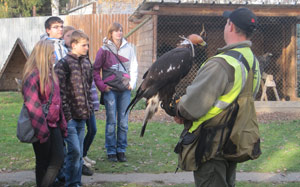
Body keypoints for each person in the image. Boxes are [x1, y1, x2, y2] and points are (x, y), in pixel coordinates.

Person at [173, 7, 261, 187]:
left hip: (211, 145)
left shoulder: (222, 63)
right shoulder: (252, 60)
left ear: (230, 26)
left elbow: (191, 106)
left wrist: (177, 108)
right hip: (233, 140)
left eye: (227, 22)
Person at [22, 40, 67, 187]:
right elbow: (32, 106)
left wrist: (62, 124)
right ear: (44, 55)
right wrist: (42, 132)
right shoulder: (33, 76)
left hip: (53, 124)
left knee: (58, 158)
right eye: (52, 53)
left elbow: (57, 102)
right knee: (43, 161)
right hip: (40, 126)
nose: (55, 56)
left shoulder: (51, 74)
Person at [93, 22, 138, 162]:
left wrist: (132, 84)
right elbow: (95, 70)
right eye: (116, 31)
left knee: (124, 122)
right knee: (111, 122)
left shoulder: (129, 48)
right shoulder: (104, 50)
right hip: (110, 90)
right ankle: (111, 151)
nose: (119, 33)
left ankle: (121, 150)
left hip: (125, 90)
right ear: (110, 33)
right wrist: (102, 86)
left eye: (121, 30)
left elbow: (134, 66)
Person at [55, 30, 93, 186]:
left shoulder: (86, 62)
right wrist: (67, 116)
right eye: (84, 45)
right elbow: (59, 92)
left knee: (77, 154)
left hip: (83, 116)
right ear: (74, 45)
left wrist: (89, 109)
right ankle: (70, 182)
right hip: (69, 117)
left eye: (87, 45)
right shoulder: (63, 64)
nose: (87, 48)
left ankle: (75, 182)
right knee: (75, 151)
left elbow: (89, 88)